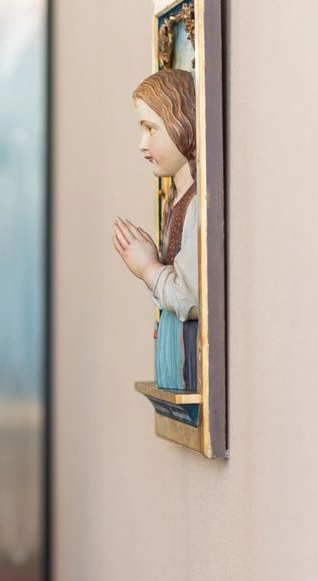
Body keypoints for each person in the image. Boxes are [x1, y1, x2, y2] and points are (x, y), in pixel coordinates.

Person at [112, 68, 200, 391]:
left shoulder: (196, 205)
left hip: (189, 365)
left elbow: (190, 296)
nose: (142, 144)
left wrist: (148, 267)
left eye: (151, 129)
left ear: (184, 124)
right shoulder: (175, 201)